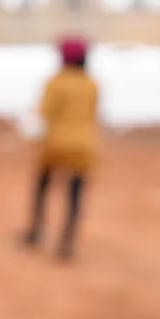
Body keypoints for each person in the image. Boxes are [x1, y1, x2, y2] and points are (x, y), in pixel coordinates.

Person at [23, 36, 99, 261]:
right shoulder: (92, 84)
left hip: (55, 143)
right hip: (84, 144)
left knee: (43, 185)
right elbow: (94, 114)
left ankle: (36, 230)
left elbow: (44, 113)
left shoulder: (56, 82)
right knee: (75, 192)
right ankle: (68, 240)